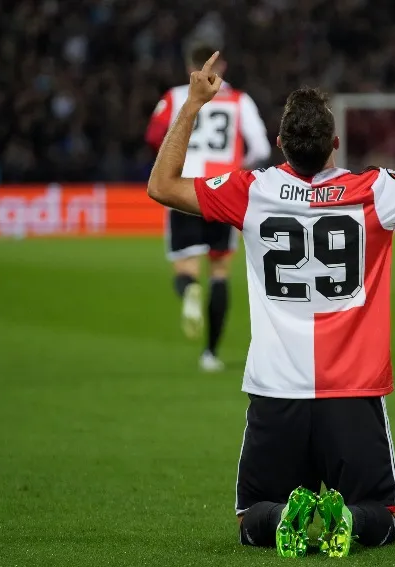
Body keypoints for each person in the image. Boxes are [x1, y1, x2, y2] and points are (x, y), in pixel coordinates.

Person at [146, 50, 395, 557]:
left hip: (277, 389)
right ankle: (348, 517)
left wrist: (192, 103)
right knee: (380, 519)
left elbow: (161, 185)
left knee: (252, 519)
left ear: (280, 143)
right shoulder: (375, 191)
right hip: (353, 391)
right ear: (335, 143)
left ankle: (285, 517)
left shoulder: (252, 190)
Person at [145, 42, 271, 372]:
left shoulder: (175, 96)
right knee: (219, 272)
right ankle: (210, 354)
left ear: (189, 65)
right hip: (222, 190)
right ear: (222, 67)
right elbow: (260, 147)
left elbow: (154, 135)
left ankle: (189, 289)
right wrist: (236, 168)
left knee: (185, 267)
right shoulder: (241, 100)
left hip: (183, 186)